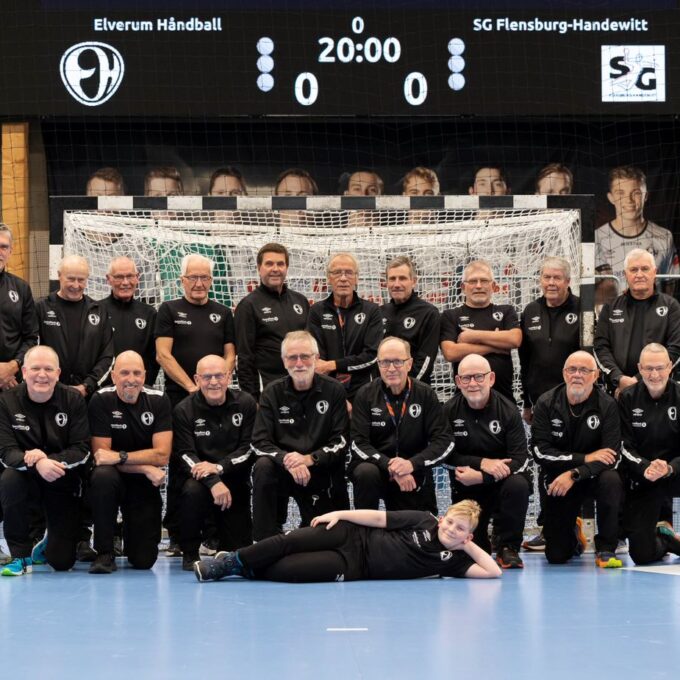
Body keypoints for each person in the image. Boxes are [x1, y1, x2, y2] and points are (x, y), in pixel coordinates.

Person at [194, 499, 502, 582]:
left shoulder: (454, 562)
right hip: (352, 534)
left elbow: (493, 572)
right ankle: (229, 562)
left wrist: (467, 545)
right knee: (289, 541)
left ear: (468, 535)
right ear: (443, 517)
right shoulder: (424, 519)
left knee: (287, 570)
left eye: (461, 529)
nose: (451, 530)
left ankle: (247, 567)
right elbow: (378, 518)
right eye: (450, 522)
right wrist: (340, 514)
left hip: (354, 566)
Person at [0, 346, 90, 576]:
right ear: (24, 372)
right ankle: (20, 556)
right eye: (36, 369)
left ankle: (49, 539)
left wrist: (48, 460)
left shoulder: (73, 400)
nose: (42, 375)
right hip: (24, 476)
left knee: (62, 562)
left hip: (60, 476)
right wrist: (36, 462)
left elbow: (81, 449)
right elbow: (6, 451)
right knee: (9, 478)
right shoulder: (7, 401)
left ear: (58, 373)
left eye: (49, 369)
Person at [250, 331, 349, 540]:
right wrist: (287, 460)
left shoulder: (334, 390)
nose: (299, 363)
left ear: (316, 358)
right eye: (292, 357)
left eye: (305, 356)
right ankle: (264, 541)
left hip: (320, 469)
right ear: (284, 361)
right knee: (263, 467)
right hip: (284, 469)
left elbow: (341, 441)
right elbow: (259, 442)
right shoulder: (271, 392)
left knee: (321, 539)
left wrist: (310, 459)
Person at [531, 351, 624, 568]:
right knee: (556, 556)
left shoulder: (608, 405)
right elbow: (540, 452)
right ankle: (573, 535)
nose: (577, 375)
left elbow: (612, 456)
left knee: (612, 479)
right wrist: (585, 458)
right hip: (559, 479)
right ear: (564, 373)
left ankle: (606, 547)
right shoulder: (546, 402)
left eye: (584, 370)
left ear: (596, 375)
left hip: (593, 476)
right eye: (572, 369)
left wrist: (576, 473)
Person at [87, 351, 172, 574]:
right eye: (124, 373)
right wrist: (145, 466)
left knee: (143, 561)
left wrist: (120, 456)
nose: (131, 379)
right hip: (114, 476)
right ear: (113, 376)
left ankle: (130, 533)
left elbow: (162, 455)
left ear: (144, 376)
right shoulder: (101, 399)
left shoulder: (159, 400)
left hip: (142, 482)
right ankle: (104, 552)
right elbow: (101, 457)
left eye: (136, 373)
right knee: (102, 476)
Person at [444, 354, 530, 569]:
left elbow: (520, 459)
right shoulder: (448, 411)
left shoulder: (508, 410)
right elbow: (444, 455)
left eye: (479, 377)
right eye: (466, 378)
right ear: (458, 382)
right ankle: (482, 540)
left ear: (491, 378)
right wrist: (482, 462)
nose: (473, 383)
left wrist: (483, 476)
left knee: (518, 484)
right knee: (476, 551)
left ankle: (508, 547)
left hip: (500, 483)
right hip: (466, 486)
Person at [349, 337, 452, 514]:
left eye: (397, 361)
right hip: (377, 468)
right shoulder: (365, 395)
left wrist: (412, 464)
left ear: (409, 364)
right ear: (378, 364)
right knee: (365, 472)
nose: (391, 368)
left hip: (412, 472)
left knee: (421, 526)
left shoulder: (425, 394)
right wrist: (390, 466)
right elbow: (358, 443)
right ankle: (365, 529)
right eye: (385, 362)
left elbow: (444, 440)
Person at [519, 256, 580, 551]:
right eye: (547, 277)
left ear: (568, 281)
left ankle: (581, 524)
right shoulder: (530, 311)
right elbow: (524, 361)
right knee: (546, 463)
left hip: (576, 403)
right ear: (540, 280)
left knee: (576, 460)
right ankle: (548, 527)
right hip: (541, 405)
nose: (551, 283)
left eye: (557, 277)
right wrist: (526, 403)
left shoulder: (582, 309)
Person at [172, 354, 256, 569]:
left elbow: (249, 448)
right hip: (199, 481)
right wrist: (213, 480)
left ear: (229, 377)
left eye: (219, 376)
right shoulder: (183, 410)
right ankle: (190, 552)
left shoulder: (246, 403)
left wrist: (219, 468)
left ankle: (224, 541)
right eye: (207, 377)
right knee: (191, 490)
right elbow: (185, 454)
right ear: (197, 379)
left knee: (238, 553)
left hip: (234, 480)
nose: (214, 382)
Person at [619, 344, 680, 565]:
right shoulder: (627, 398)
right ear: (639, 368)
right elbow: (623, 446)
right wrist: (645, 467)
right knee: (641, 555)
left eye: (660, 368)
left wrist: (670, 467)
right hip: (644, 477)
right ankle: (666, 538)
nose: (655, 374)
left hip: (674, 472)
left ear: (670, 367)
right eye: (649, 368)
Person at [594, 248, 680, 397]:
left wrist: (638, 380)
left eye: (645, 269)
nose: (639, 274)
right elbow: (601, 347)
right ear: (625, 274)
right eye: (633, 269)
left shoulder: (671, 306)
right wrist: (618, 378)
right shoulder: (610, 308)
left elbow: (676, 349)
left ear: (654, 272)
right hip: (618, 391)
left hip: (658, 392)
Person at [155, 253, 236, 407]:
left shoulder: (224, 313)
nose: (199, 284)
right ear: (182, 280)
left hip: (215, 395)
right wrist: (192, 388)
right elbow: (162, 355)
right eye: (193, 277)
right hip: (179, 397)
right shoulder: (168, 309)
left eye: (204, 277)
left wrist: (216, 385)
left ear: (211, 280)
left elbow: (230, 355)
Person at [234, 242, 309, 399]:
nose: (275, 269)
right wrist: (252, 399)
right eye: (269, 264)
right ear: (259, 268)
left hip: (304, 387)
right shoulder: (248, 305)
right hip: (270, 392)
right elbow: (244, 358)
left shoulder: (301, 301)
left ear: (287, 268)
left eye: (280, 264)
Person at [440, 259, 522, 402]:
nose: (478, 286)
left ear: (493, 286)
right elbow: (451, 352)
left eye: (484, 281)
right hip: (465, 400)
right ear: (463, 287)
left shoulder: (506, 311)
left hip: (504, 399)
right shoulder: (451, 315)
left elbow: (515, 339)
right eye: (473, 281)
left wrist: (472, 336)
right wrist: (495, 345)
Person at [306, 252, 383, 401]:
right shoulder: (316, 311)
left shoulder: (372, 311)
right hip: (327, 389)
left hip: (364, 391)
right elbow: (316, 356)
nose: (343, 278)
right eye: (337, 273)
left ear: (356, 278)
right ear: (328, 278)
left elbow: (372, 356)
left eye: (349, 272)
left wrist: (333, 365)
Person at [36, 255, 114, 400]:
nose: (76, 285)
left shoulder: (99, 311)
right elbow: (32, 351)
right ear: (59, 276)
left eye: (81, 280)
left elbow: (107, 355)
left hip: (87, 396)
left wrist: (87, 385)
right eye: (71, 279)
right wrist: (51, 383)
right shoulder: (41, 308)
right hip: (48, 393)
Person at [595, 166, 679, 296]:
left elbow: (670, 285)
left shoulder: (664, 236)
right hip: (613, 309)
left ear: (646, 195)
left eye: (636, 193)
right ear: (611, 197)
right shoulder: (597, 237)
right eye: (620, 193)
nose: (629, 200)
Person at [98, 256, 159, 386]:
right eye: (119, 277)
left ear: (137, 277)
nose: (125, 282)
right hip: (103, 390)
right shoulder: (97, 311)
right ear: (108, 279)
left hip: (138, 388)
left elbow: (154, 358)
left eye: (130, 276)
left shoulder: (149, 313)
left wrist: (144, 386)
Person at [381, 256, 440, 385]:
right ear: (386, 282)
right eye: (392, 279)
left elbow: (425, 361)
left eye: (402, 278)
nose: (397, 284)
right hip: (383, 388)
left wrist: (405, 387)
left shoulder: (429, 313)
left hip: (414, 389)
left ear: (413, 281)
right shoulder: (380, 312)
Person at [0, 223, 39, 392]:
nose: (0, 251)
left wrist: (12, 367)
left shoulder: (21, 288)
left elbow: (31, 337)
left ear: (11, 251)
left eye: (3, 247)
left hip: (12, 383)